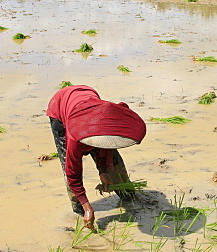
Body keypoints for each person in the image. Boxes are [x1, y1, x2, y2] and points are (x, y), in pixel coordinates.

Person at [48, 85, 147, 228]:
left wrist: (104, 171)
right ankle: (80, 211)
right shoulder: (75, 138)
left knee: (114, 160)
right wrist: (87, 207)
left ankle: (128, 197)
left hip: (88, 98)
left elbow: (106, 149)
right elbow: (72, 174)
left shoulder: (106, 123)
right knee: (67, 166)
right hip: (59, 108)